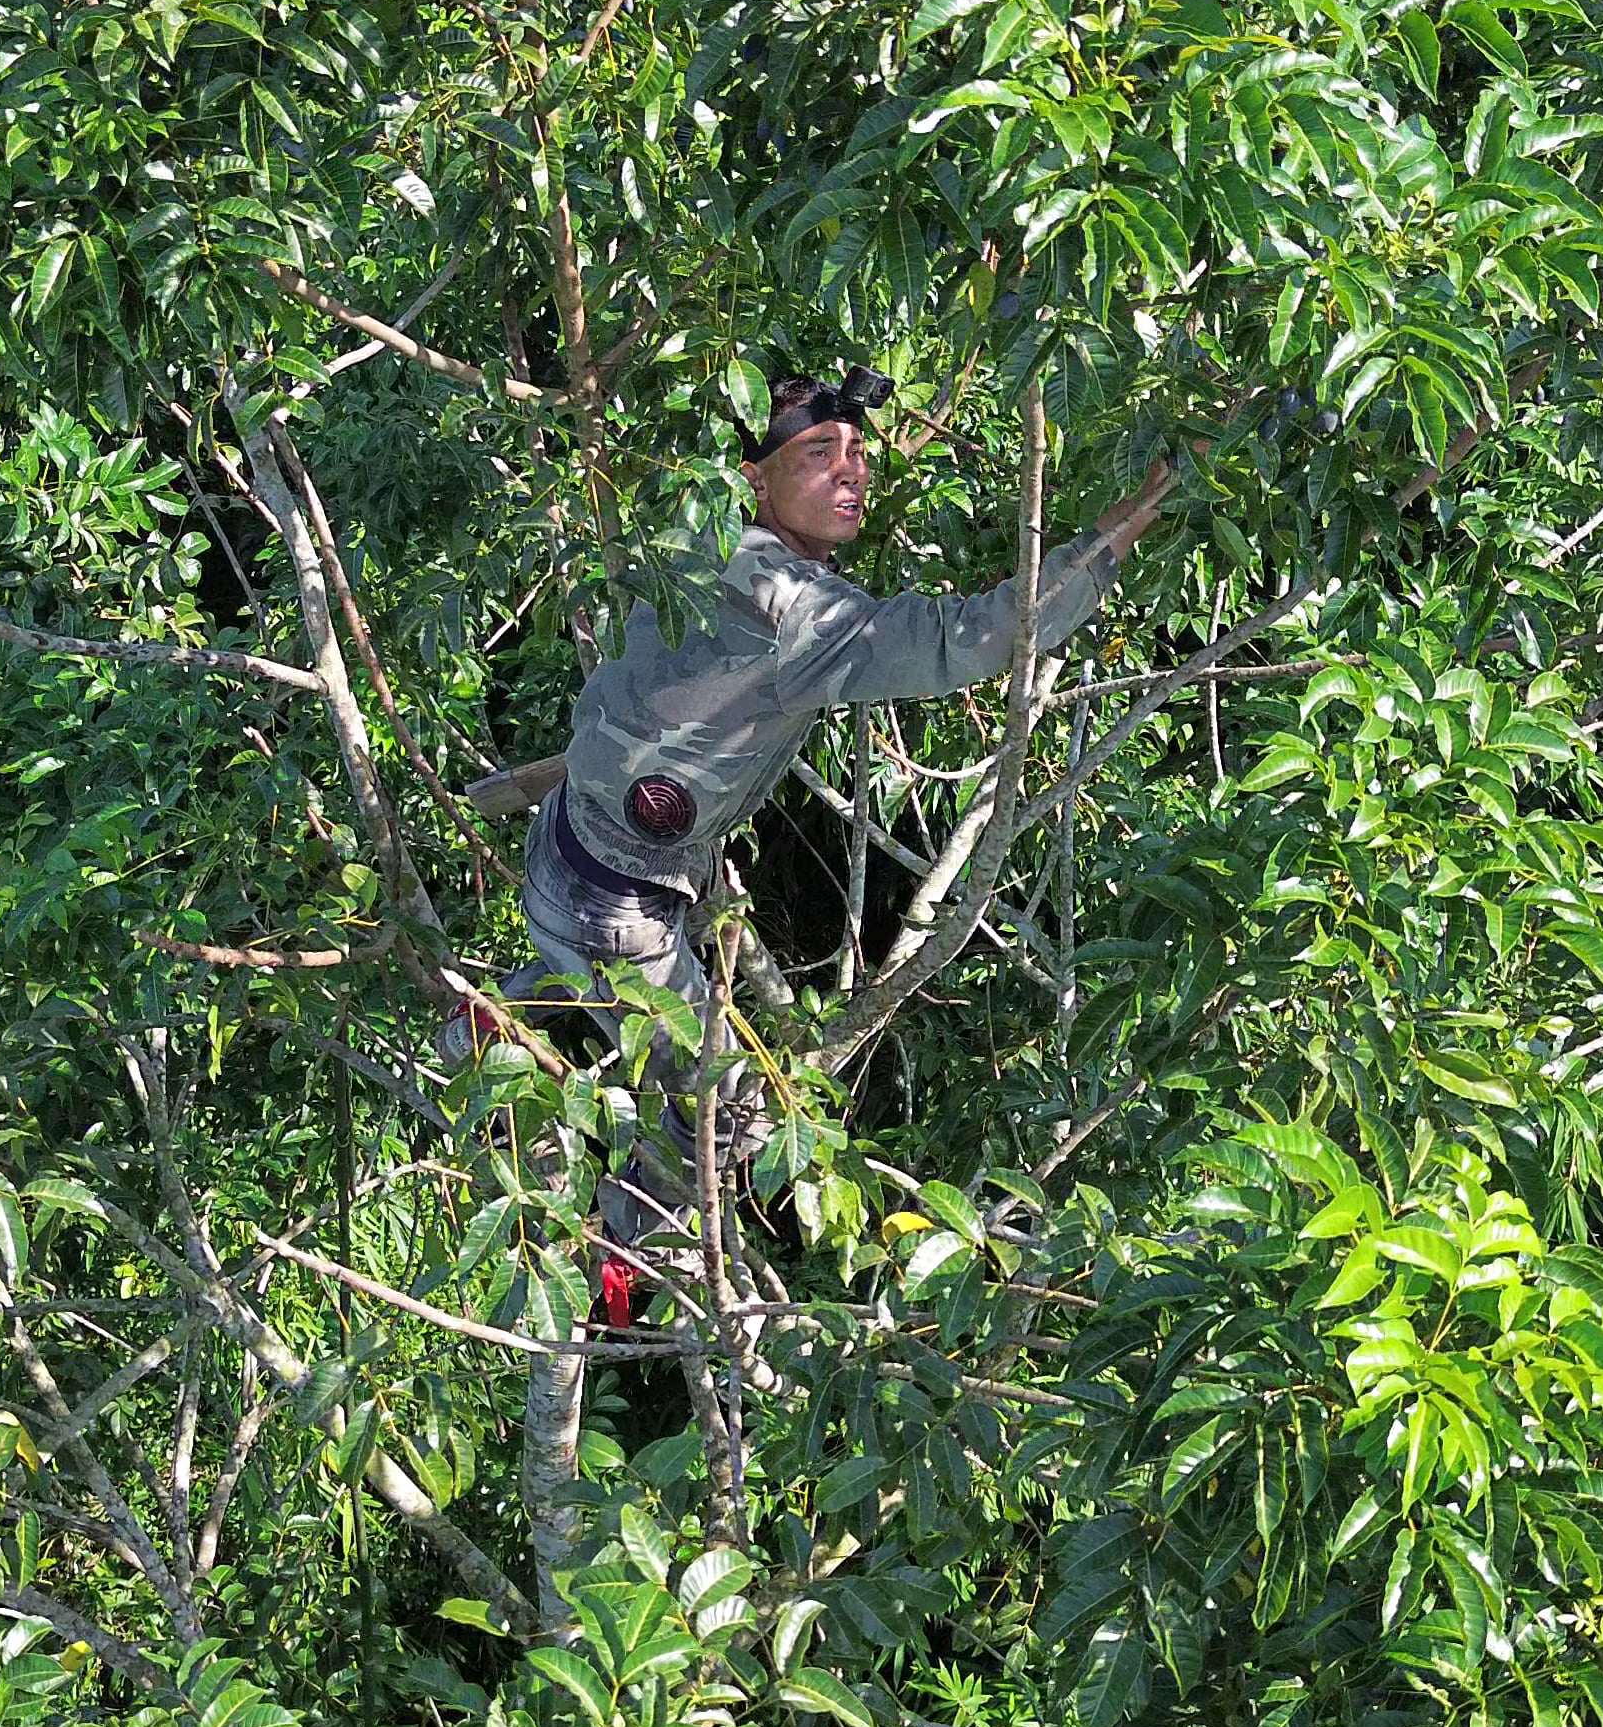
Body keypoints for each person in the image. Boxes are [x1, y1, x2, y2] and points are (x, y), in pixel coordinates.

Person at [465, 363, 1181, 1321]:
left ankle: (510, 1012)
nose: (852, 471)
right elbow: (980, 636)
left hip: (567, 842)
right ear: (754, 479)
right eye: (817, 454)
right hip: (616, 905)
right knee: (734, 1109)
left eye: (858, 452)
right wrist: (1144, 506)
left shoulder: (693, 530)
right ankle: (620, 1253)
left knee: (638, 991)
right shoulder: (792, 614)